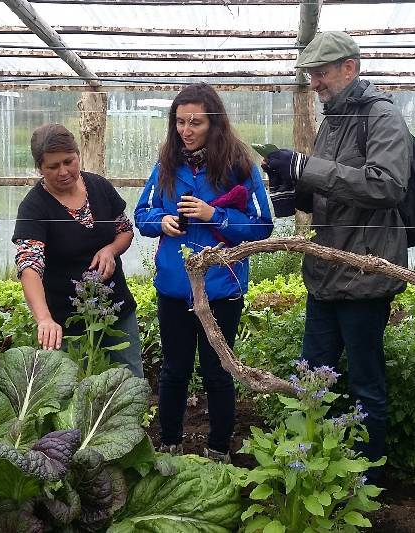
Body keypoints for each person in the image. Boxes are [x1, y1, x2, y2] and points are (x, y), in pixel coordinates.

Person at [262, 31, 413, 479]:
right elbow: (334, 191)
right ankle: (310, 469)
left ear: (350, 68)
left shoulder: (381, 117)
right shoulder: (332, 120)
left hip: (365, 275)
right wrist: (295, 190)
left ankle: (367, 482)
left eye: (321, 73)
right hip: (325, 273)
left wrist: (306, 167)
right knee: (310, 378)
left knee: (365, 383)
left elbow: (386, 185)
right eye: (311, 74)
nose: (314, 83)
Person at [134, 83, 273, 463]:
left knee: (217, 370)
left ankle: (217, 450)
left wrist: (218, 217)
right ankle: (170, 444)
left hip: (221, 288)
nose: (186, 130)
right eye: (180, 122)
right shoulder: (166, 165)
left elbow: (262, 225)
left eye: (195, 122)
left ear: (214, 123)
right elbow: (141, 215)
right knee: (174, 370)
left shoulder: (239, 167)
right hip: (175, 287)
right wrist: (161, 221)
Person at [12, 123, 143, 378]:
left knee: (129, 382)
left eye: (69, 161)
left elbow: (125, 230)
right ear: (40, 168)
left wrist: (111, 250)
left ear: (77, 155)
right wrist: (44, 320)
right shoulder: (34, 208)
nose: (63, 171)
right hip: (67, 319)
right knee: (74, 390)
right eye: (53, 166)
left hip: (115, 310)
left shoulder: (99, 187)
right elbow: (29, 266)